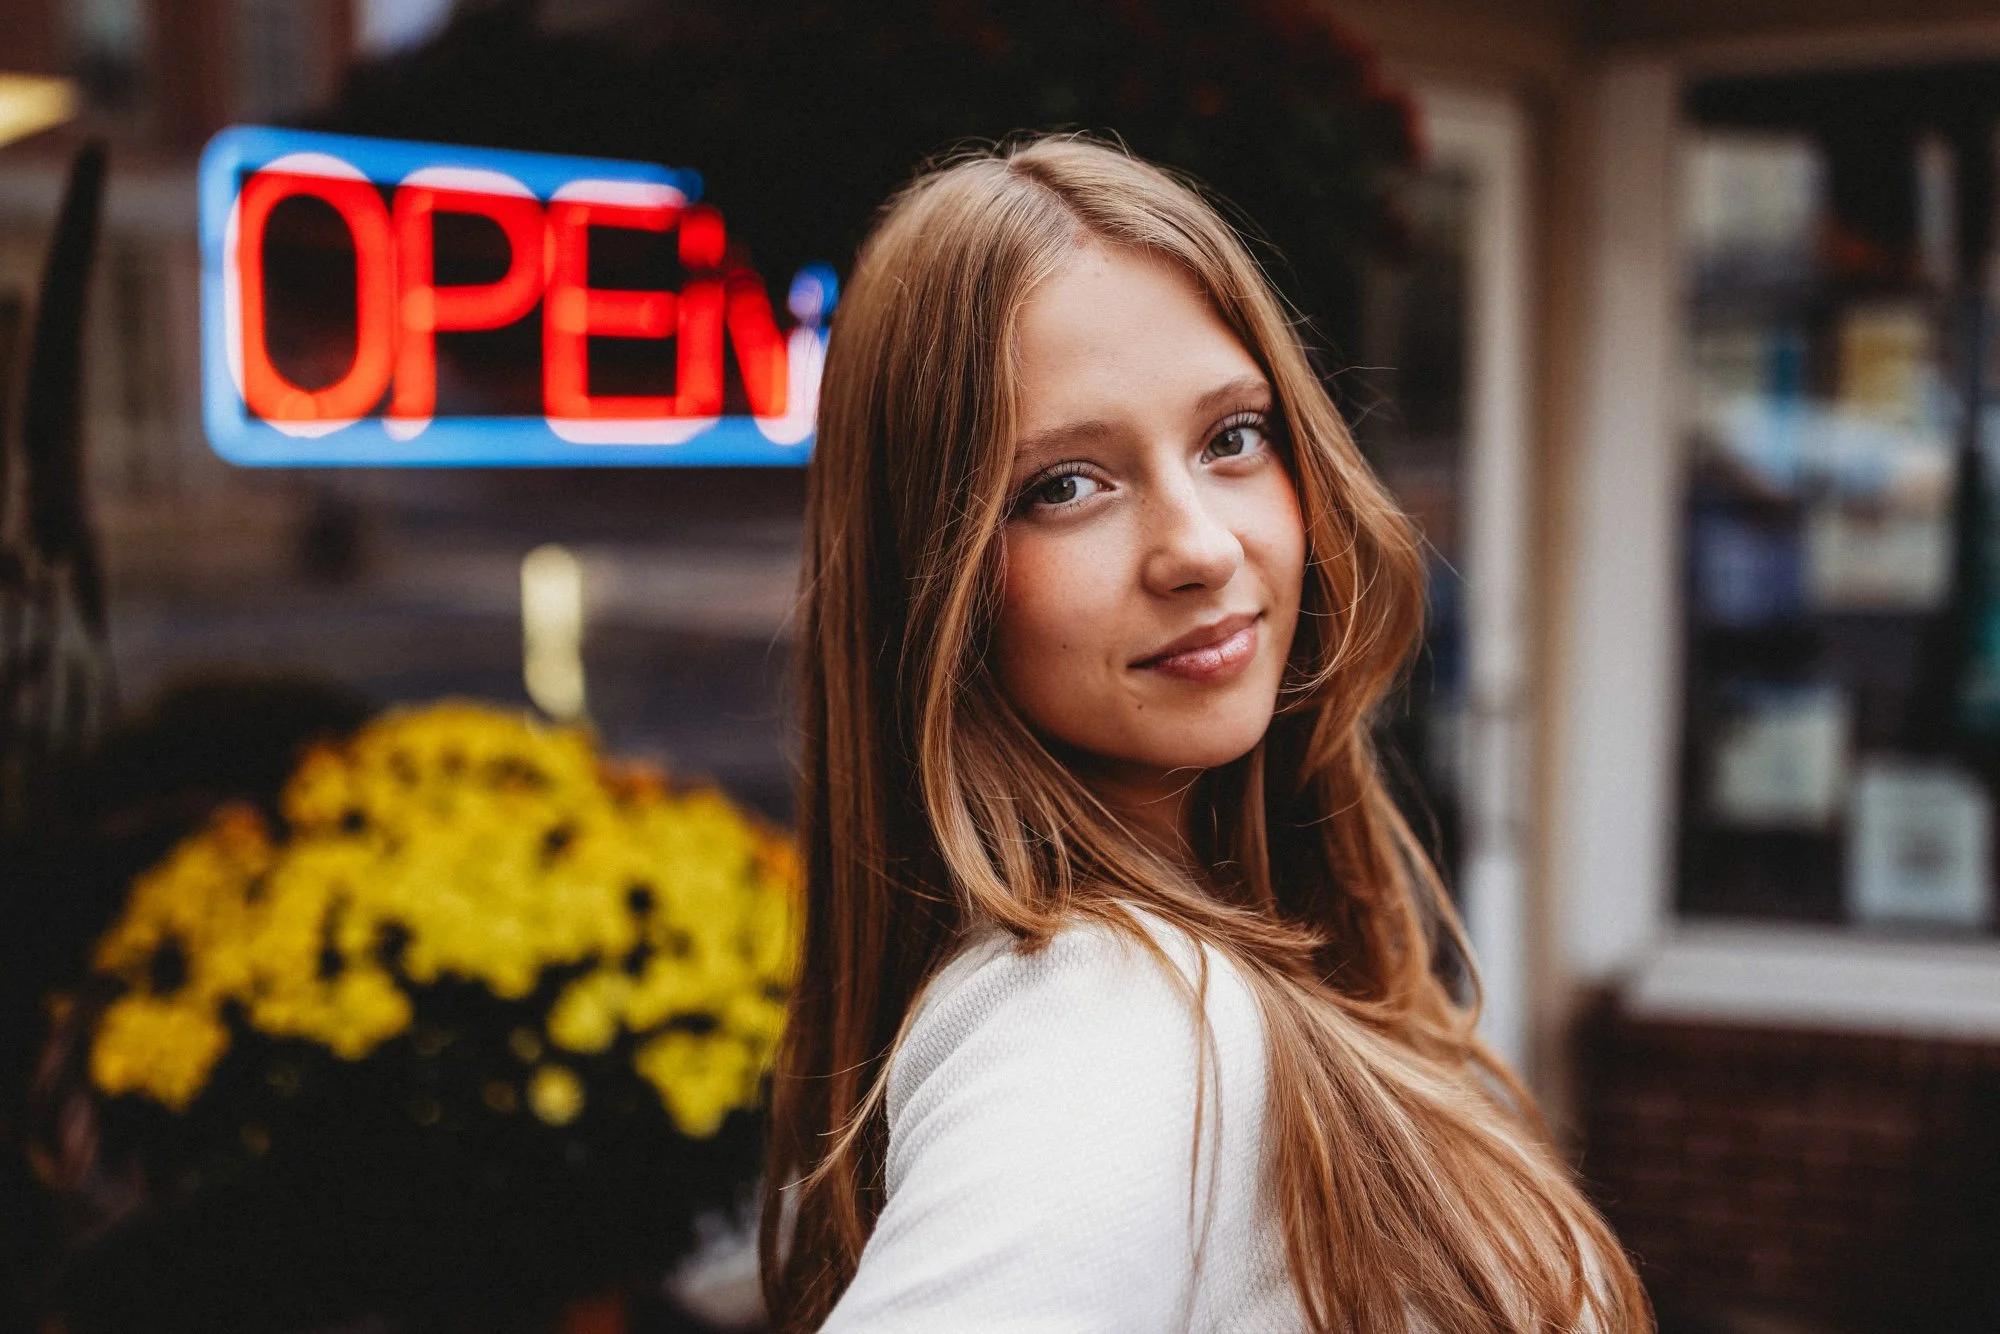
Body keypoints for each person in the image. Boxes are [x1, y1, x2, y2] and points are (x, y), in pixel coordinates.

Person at [760, 135, 1651, 1333]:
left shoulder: (1181, 968)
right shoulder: (1102, 1018)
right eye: (1064, 483)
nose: (1200, 546)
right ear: (930, 581)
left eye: (1230, 437)